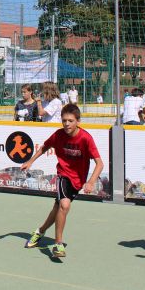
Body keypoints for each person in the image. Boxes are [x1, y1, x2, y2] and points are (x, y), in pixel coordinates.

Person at [23, 104, 104, 258]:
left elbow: (100, 163)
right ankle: (58, 244)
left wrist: (91, 181)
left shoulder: (86, 138)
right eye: (64, 120)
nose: (67, 124)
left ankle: (40, 231)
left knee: (58, 209)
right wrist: (30, 161)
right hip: (63, 175)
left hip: (78, 180)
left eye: (71, 121)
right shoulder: (58, 135)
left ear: (78, 121)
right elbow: (44, 147)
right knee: (64, 205)